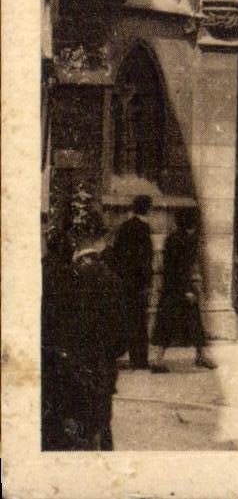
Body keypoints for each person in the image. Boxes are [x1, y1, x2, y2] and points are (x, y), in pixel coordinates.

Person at [41, 192, 128, 450]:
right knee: (98, 438)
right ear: (101, 238)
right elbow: (120, 342)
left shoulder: (58, 279)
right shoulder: (112, 280)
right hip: (99, 376)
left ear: (71, 239)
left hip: (62, 380)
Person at [149, 209, 216, 371]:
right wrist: (187, 290)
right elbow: (182, 268)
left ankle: (159, 360)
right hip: (181, 288)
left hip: (170, 287)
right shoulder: (187, 240)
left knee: (167, 324)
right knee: (192, 323)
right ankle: (200, 356)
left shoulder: (172, 239)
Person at [109, 194, 154, 370]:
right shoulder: (143, 228)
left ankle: (119, 354)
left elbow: (117, 254)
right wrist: (146, 282)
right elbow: (145, 259)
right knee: (139, 321)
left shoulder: (124, 227)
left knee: (125, 319)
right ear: (148, 209)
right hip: (137, 284)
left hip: (124, 281)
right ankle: (139, 359)